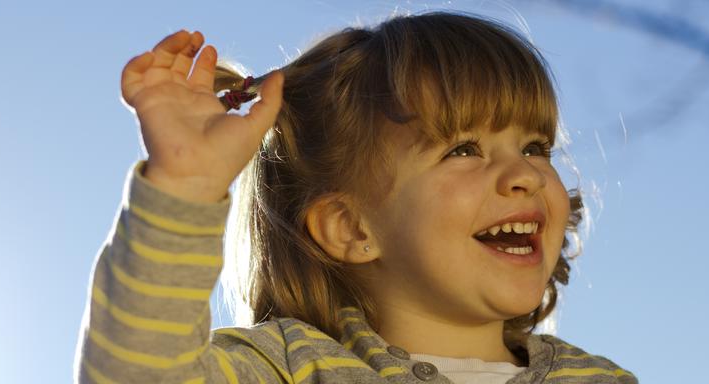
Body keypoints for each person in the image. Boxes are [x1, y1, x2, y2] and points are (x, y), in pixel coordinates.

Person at [74, 11, 637, 384]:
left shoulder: (599, 380)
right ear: (352, 228)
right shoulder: (287, 368)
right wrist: (186, 186)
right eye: (463, 149)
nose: (525, 175)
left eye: (535, 146)